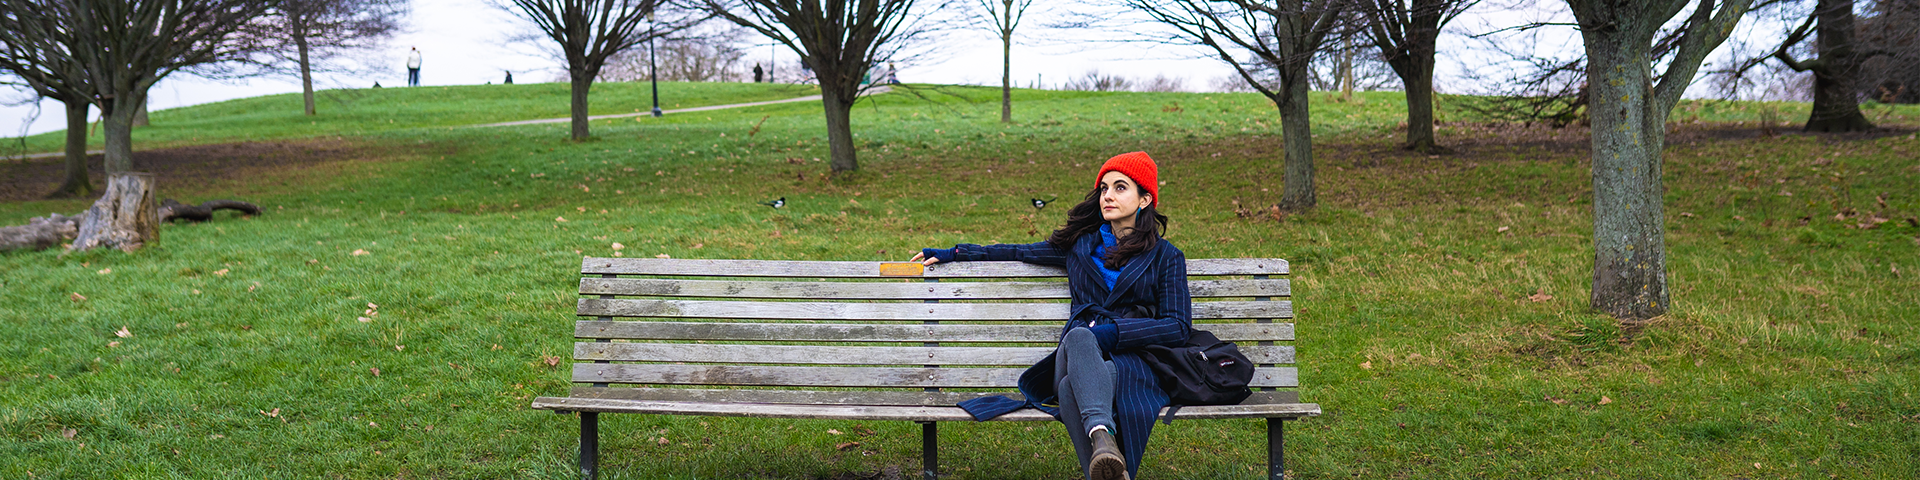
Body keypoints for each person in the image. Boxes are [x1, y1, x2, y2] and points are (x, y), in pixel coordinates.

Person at [912, 151, 1189, 480]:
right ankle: (1102, 433)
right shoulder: (1079, 246)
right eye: (1103, 188)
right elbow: (1017, 251)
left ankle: (1105, 452)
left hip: (1133, 365)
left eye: (1120, 187)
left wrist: (1114, 333)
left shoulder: (1166, 256)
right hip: (1074, 355)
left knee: (1074, 389)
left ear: (1144, 199)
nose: (1108, 196)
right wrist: (953, 253)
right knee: (1078, 336)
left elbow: (1178, 326)